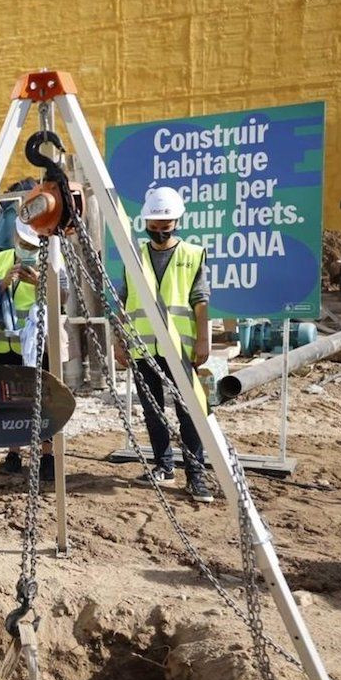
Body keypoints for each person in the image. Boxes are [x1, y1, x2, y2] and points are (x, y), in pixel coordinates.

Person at [113, 185, 214, 503]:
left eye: (164, 228)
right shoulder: (134, 256)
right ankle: (164, 466)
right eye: (153, 228)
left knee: (189, 411)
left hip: (179, 349)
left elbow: (201, 301)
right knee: (152, 410)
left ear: (177, 222)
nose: (158, 233)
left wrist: (203, 338)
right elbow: (122, 300)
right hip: (142, 347)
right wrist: (118, 342)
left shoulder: (191, 255)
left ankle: (195, 474)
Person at [0, 216, 68, 480]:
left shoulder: (53, 259)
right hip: (5, 344)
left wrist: (40, 282)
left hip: (39, 346)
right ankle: (13, 453)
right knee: (9, 400)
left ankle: (47, 454)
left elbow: (63, 297)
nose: (27, 249)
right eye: (24, 244)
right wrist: (3, 283)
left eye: (32, 245)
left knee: (44, 398)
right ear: (15, 239)